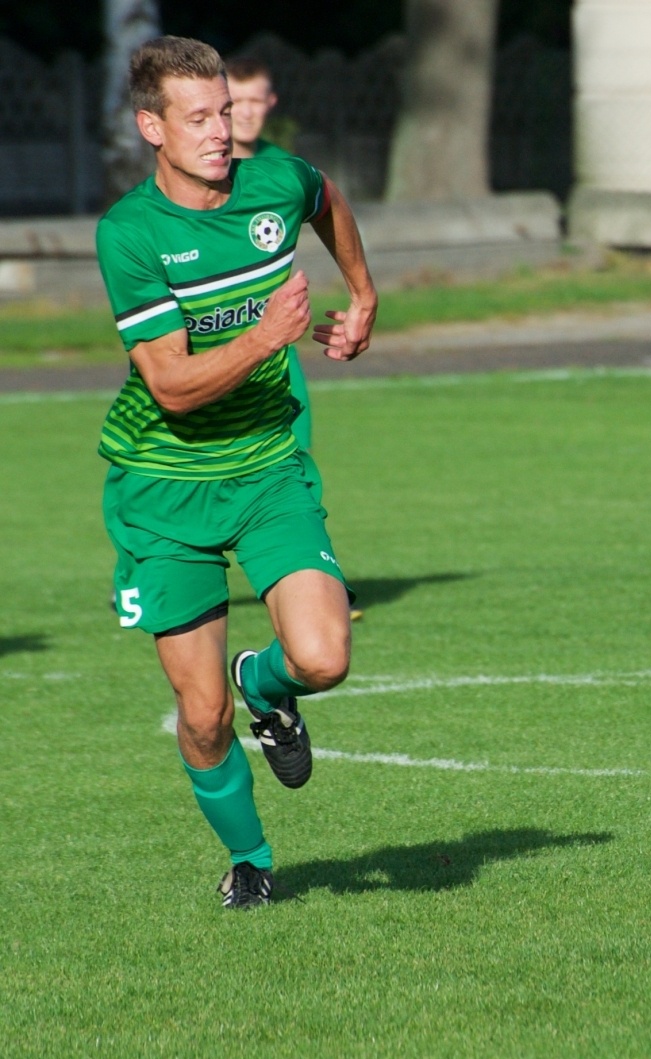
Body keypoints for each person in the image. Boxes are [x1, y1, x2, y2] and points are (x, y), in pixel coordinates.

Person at [96, 37, 377, 909]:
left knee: (324, 657)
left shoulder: (273, 181)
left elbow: (324, 198)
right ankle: (251, 859)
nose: (223, 132)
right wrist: (263, 336)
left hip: (266, 466)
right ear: (152, 127)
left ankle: (269, 683)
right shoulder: (131, 234)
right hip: (161, 491)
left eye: (226, 112)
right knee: (204, 716)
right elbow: (173, 387)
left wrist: (362, 296)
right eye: (199, 118)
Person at [226, 55, 314, 457]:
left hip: (276, 351)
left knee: (295, 468)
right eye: (235, 100)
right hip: (211, 342)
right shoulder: (191, 172)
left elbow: (333, 208)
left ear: (271, 103)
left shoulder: (285, 172)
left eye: (254, 101)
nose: (245, 112)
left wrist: (361, 291)